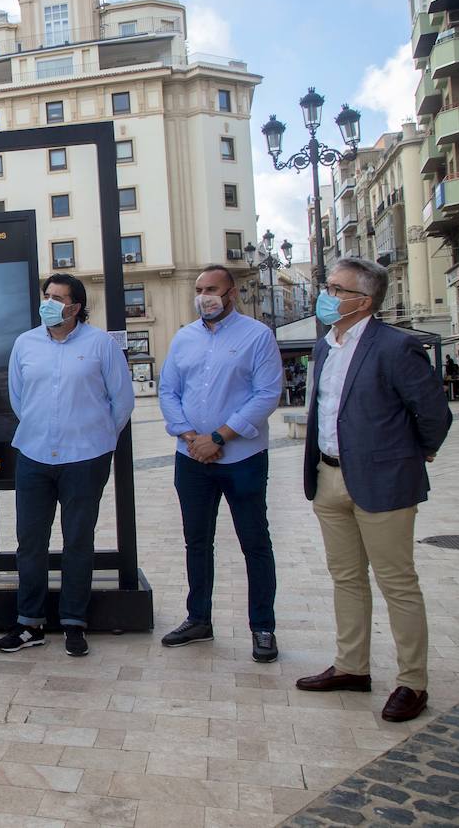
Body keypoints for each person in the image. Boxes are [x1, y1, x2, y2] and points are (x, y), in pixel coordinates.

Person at [296, 257, 451, 723]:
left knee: (397, 583)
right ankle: (351, 666)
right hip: (328, 478)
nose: (326, 294)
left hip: (383, 481)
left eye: (335, 289)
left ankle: (412, 682)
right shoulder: (326, 346)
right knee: (345, 578)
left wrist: (412, 453)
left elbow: (435, 414)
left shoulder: (395, 347)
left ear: (362, 301)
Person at [0, 273, 134, 658]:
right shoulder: (25, 344)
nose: (49, 302)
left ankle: (74, 621)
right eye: (47, 295)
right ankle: (30, 623)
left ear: (75, 306)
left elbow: (121, 401)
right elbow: (19, 398)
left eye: (57, 298)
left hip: (85, 459)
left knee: (77, 542)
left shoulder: (100, 344)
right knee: (30, 543)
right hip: (34, 456)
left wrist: (98, 440)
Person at [158, 265, 283, 663]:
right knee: (197, 541)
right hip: (191, 458)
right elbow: (168, 390)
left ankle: (262, 626)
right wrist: (189, 436)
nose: (204, 296)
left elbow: (266, 394)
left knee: (255, 543)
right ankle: (199, 619)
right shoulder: (183, 338)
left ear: (232, 293)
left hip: (242, 458)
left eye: (212, 289)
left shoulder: (257, 336)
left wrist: (219, 438)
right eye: (199, 289)